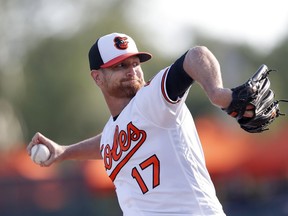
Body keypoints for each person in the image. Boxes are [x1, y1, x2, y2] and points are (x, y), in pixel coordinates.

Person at [27, 32, 238, 216]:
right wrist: (64, 151)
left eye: (135, 63)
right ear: (97, 77)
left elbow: (195, 55)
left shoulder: (151, 99)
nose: (132, 71)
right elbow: (107, 142)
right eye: (120, 66)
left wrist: (217, 92)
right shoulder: (115, 128)